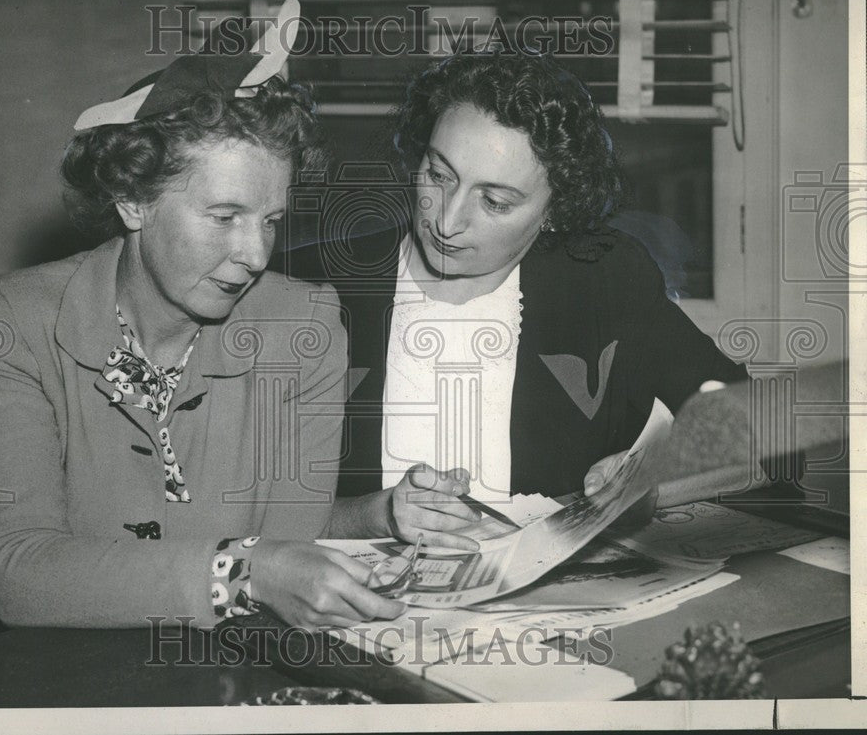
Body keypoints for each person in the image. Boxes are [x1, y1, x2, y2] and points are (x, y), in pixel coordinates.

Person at [0, 1, 404, 632]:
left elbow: (291, 546)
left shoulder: (305, 326)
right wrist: (238, 574)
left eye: (270, 221)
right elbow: (17, 570)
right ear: (134, 200)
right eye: (224, 217)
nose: (254, 255)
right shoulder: (12, 321)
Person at [282, 49, 750, 549]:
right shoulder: (312, 283)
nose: (446, 220)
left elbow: (763, 430)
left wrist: (653, 485)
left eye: (496, 202)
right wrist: (372, 517)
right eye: (439, 175)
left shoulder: (604, 280)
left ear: (555, 210)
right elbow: (219, 505)